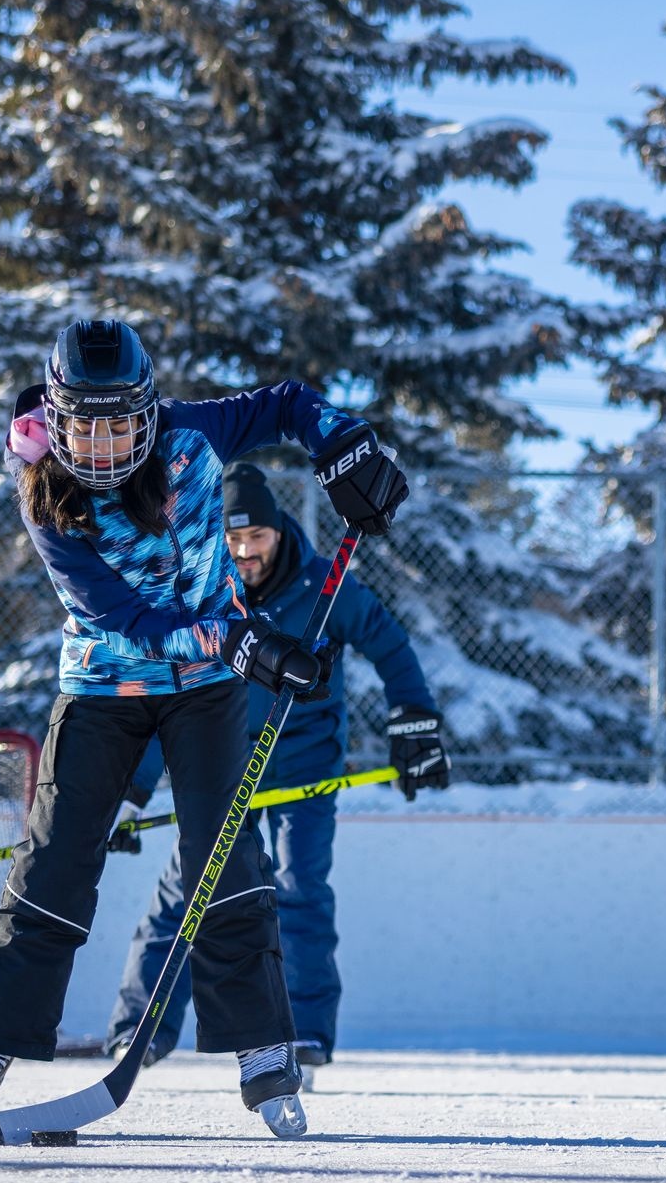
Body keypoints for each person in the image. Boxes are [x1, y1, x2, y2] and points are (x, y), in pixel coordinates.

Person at [0, 318, 409, 1141]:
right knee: (55, 859)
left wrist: (344, 443)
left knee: (225, 852)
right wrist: (239, 637)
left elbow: (289, 404)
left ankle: (262, 1044)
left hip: (207, 689)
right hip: (106, 684)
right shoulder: (44, 495)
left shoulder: (191, 434)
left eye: (119, 422)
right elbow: (128, 618)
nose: (103, 444)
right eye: (84, 423)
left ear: (147, 412)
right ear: (57, 416)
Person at [102, 461, 449, 1082]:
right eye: (234, 540)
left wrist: (414, 720)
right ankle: (140, 1029)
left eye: (256, 537)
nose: (245, 551)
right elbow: (170, 695)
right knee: (186, 895)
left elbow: (389, 645)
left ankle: (306, 1034)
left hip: (303, 777)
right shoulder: (205, 592)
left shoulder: (326, 587)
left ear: (279, 532)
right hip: (223, 772)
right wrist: (129, 794)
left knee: (297, 895)